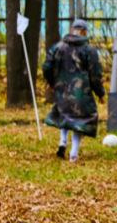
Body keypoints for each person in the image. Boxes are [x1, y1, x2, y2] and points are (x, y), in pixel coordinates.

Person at [44, 19, 106, 162]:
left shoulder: (57, 47)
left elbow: (47, 66)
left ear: (72, 29)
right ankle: (74, 152)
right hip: (81, 93)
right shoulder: (89, 50)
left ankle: (62, 142)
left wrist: (52, 82)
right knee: (81, 120)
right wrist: (100, 93)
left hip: (62, 91)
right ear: (84, 32)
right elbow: (95, 74)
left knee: (64, 114)